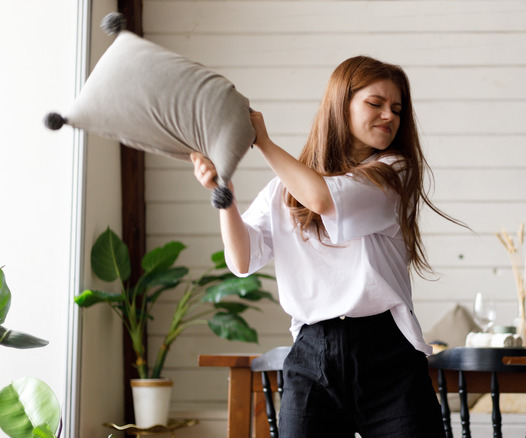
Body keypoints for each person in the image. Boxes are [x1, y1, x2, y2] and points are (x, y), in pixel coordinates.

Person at [191, 55, 456, 437]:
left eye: (396, 109)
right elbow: (241, 259)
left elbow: (322, 199)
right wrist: (225, 196)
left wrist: (261, 141)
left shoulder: (394, 172)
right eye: (375, 104)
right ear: (340, 105)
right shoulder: (281, 190)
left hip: (388, 353)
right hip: (313, 353)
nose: (389, 116)